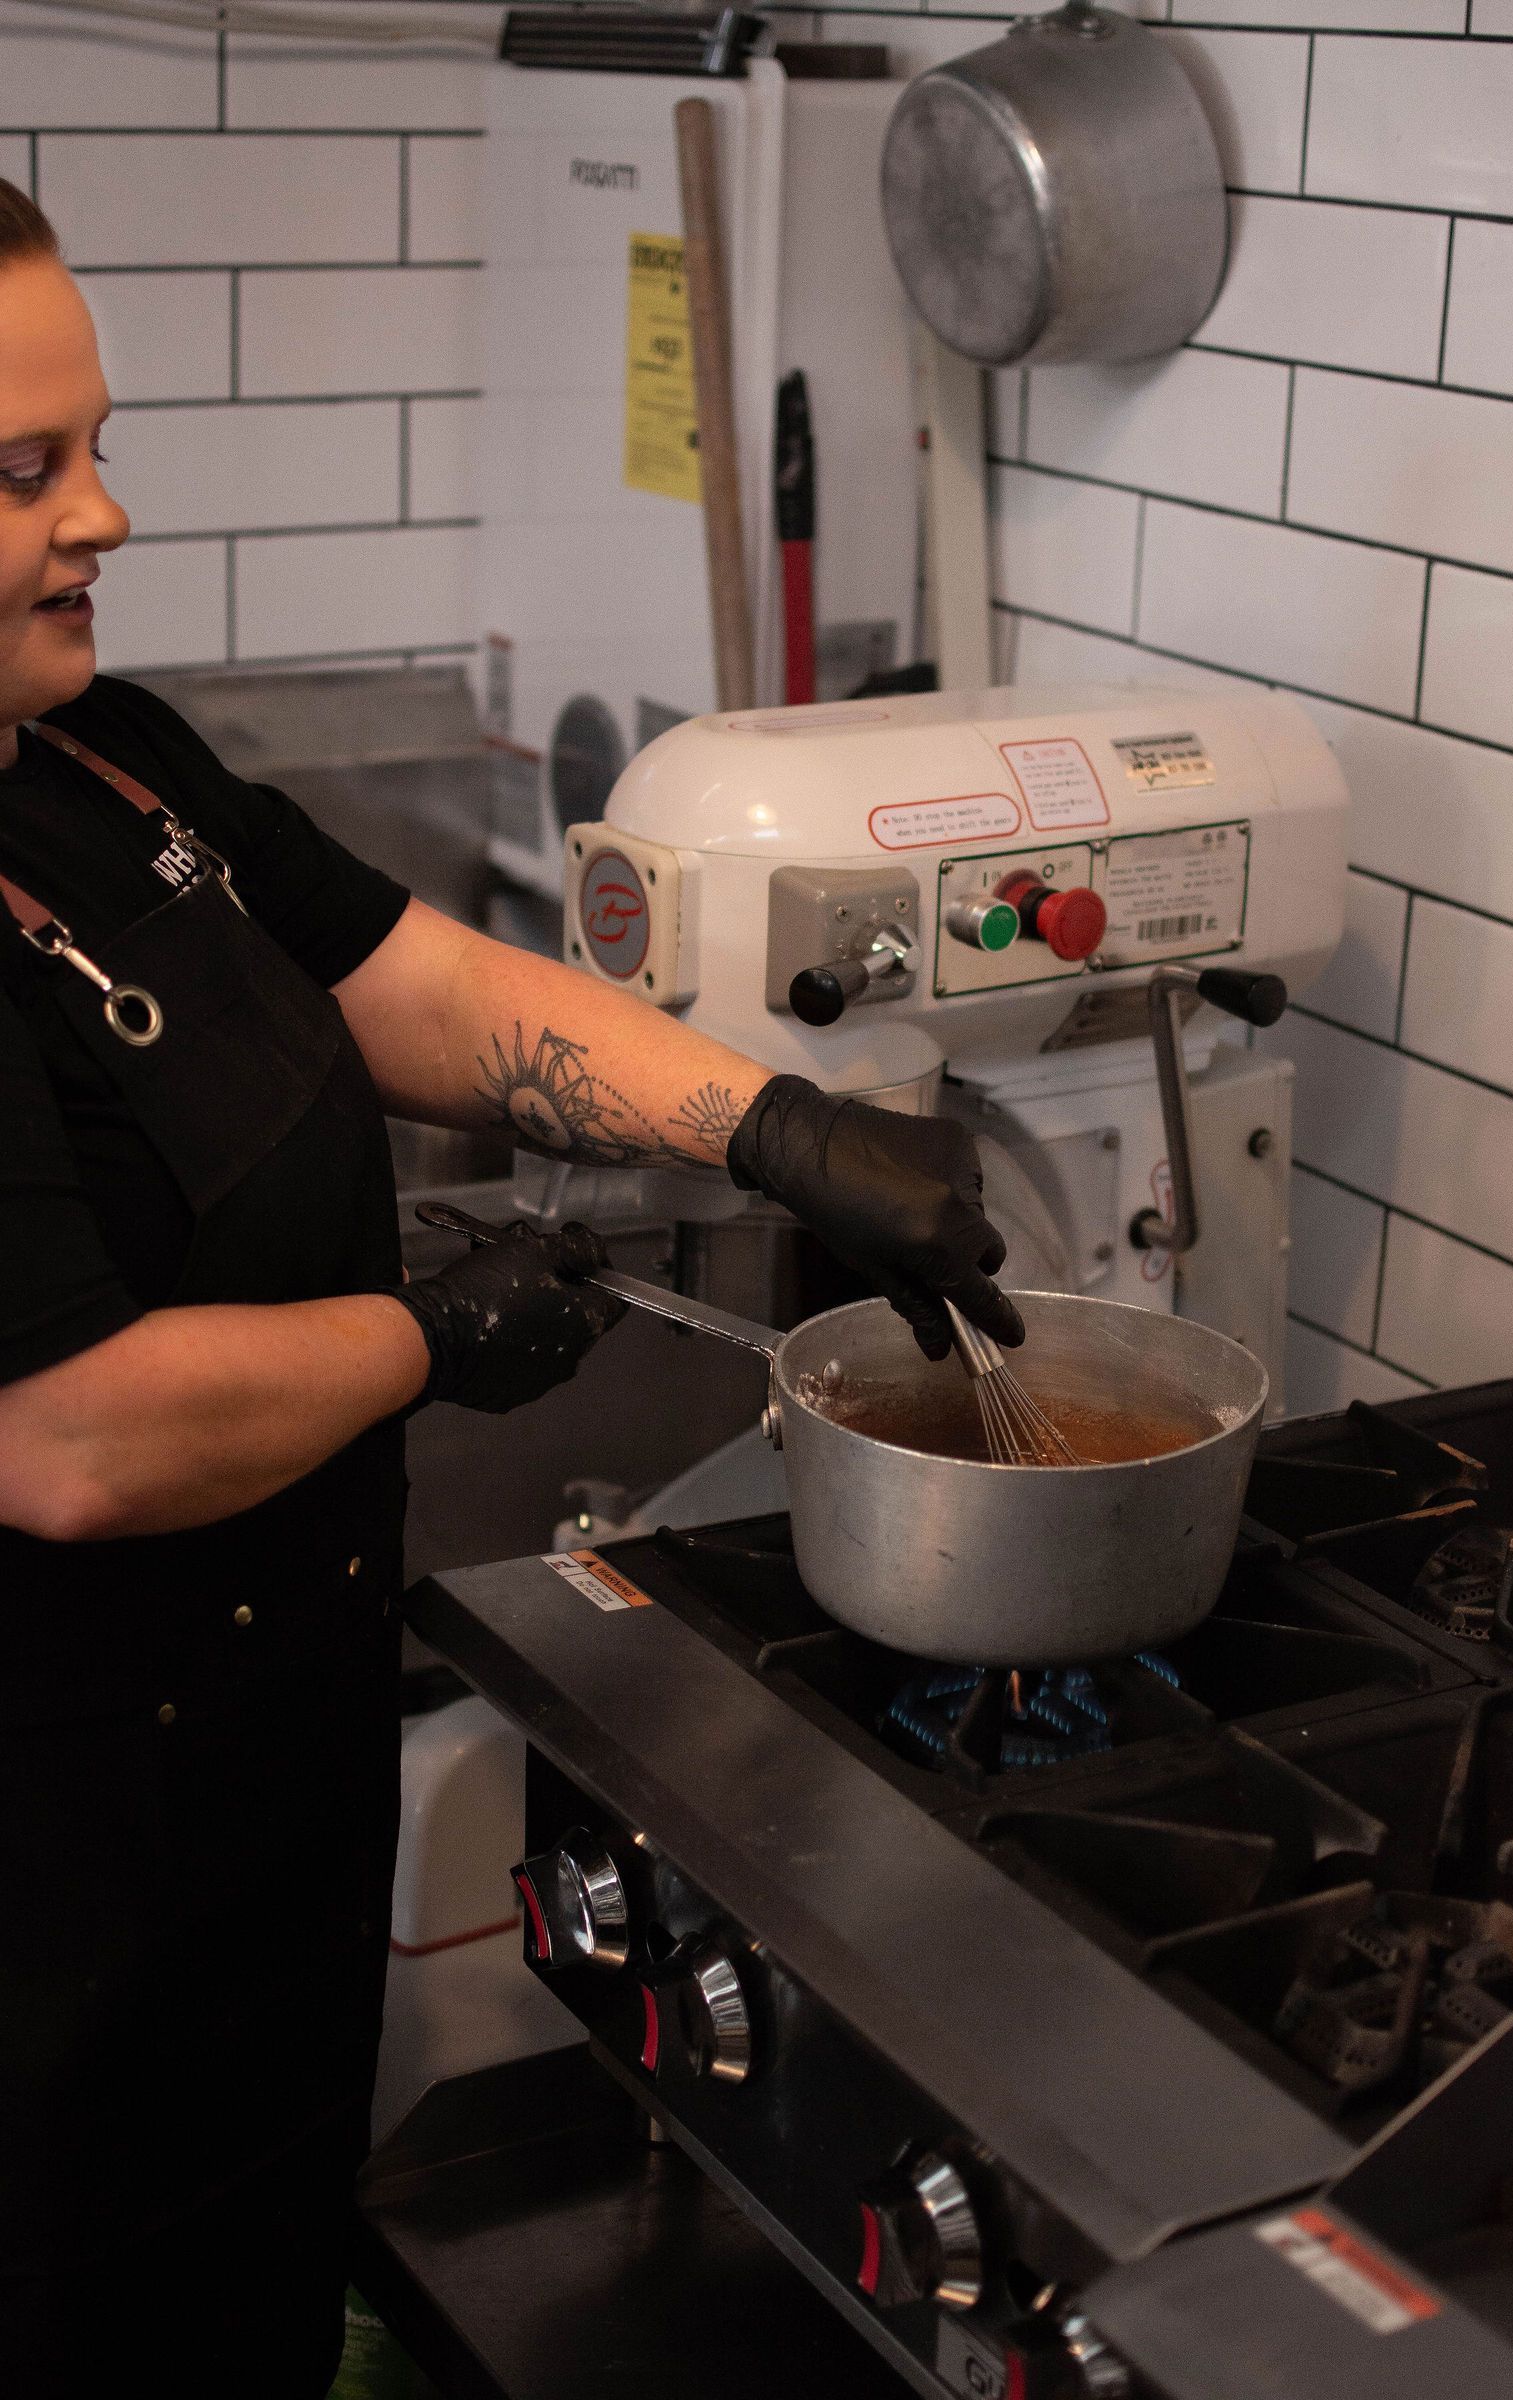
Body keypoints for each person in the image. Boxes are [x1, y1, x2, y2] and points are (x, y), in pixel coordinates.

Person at [0, 180, 1019, 2396]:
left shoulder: (100, 757)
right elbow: (62, 1437)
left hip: (242, 1773)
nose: (107, 512)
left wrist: (774, 1130)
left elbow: (417, 982)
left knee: (232, 2271)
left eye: (93, 444)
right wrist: (430, 1336)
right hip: (38, 1867)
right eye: (26, 473)